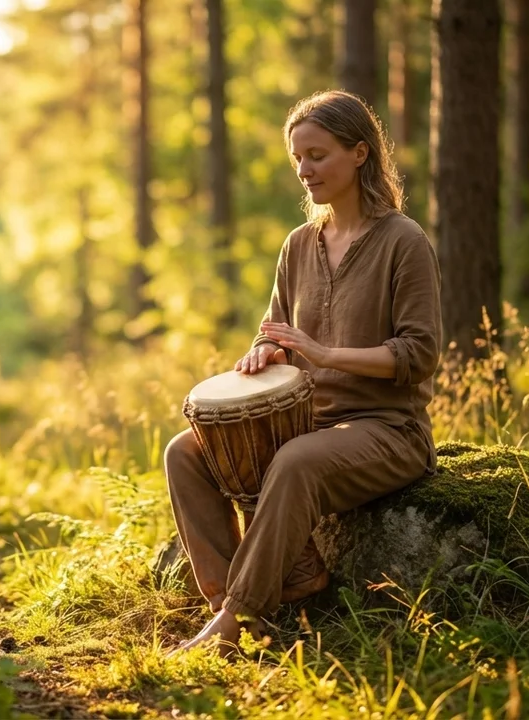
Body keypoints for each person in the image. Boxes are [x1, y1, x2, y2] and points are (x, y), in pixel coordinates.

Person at [164, 90, 442, 654]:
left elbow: (420, 354)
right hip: (310, 424)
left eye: (317, 155)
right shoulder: (298, 246)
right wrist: (262, 355)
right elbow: (276, 334)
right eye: (297, 158)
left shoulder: (404, 242)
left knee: (293, 462)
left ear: (360, 153)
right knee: (184, 452)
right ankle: (230, 595)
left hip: (387, 430)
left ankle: (236, 621)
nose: (304, 170)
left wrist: (326, 354)